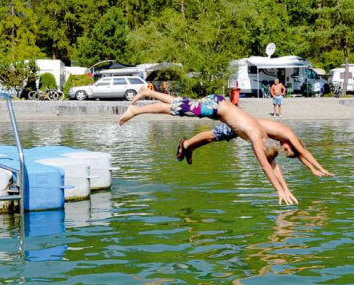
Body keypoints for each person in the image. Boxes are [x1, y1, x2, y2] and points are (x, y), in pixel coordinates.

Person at [119, 87, 302, 205]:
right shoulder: (256, 138)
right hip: (216, 106)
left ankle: (147, 92)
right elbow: (266, 166)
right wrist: (279, 190)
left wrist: (286, 189)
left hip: (218, 105)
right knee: (175, 109)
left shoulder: (263, 136)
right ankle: (136, 110)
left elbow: (273, 165)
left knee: (180, 103)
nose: (257, 155)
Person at [176, 117, 332, 178]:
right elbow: (304, 152)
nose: (283, 149)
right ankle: (186, 144)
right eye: (286, 149)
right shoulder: (289, 134)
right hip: (245, 124)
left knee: (215, 138)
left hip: (248, 130)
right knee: (214, 134)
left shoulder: (286, 138)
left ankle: (190, 148)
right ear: (292, 145)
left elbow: (300, 155)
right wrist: (321, 168)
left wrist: (312, 170)